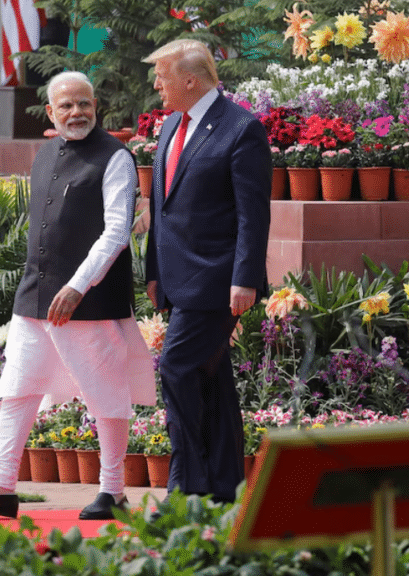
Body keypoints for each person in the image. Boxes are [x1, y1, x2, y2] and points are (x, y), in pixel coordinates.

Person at [0, 71, 157, 520]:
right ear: (50, 112)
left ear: (96, 105)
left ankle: (114, 491)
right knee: (17, 389)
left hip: (91, 299)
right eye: (67, 106)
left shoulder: (114, 157)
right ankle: (1, 486)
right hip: (35, 297)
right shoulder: (44, 154)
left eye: (84, 104)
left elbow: (117, 230)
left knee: (105, 394)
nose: (77, 113)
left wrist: (79, 284)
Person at [143, 39, 272, 503]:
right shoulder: (170, 125)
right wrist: (153, 270)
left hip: (219, 282)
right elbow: (162, 205)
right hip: (178, 281)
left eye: (162, 75)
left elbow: (251, 214)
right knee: (210, 379)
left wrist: (245, 277)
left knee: (177, 368)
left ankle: (186, 487)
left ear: (190, 80)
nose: (157, 84)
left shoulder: (241, 128)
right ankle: (224, 488)